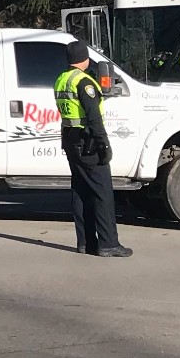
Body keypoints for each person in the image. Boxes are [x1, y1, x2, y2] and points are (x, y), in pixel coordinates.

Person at [55, 41, 131, 258]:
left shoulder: (61, 79)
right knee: (102, 192)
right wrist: (104, 144)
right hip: (88, 141)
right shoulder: (84, 82)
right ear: (85, 58)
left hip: (70, 139)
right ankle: (108, 244)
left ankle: (86, 243)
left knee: (80, 191)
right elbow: (94, 117)